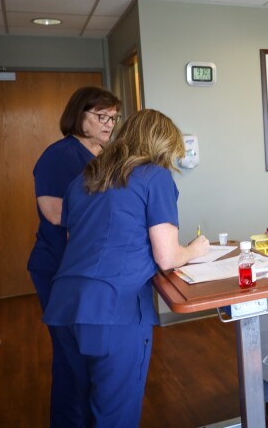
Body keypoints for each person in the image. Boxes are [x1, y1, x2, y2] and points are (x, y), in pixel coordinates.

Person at [42, 109, 210, 427]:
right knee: (114, 412)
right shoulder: (154, 177)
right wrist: (195, 249)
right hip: (113, 310)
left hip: (64, 304)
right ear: (160, 147)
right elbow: (166, 256)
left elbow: (74, 238)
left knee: (71, 409)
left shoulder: (84, 178)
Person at [28, 85, 122, 311]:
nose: (109, 124)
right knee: (70, 339)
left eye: (113, 118)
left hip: (93, 262)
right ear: (79, 115)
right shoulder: (59, 155)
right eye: (102, 117)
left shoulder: (106, 154)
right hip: (62, 264)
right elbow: (54, 213)